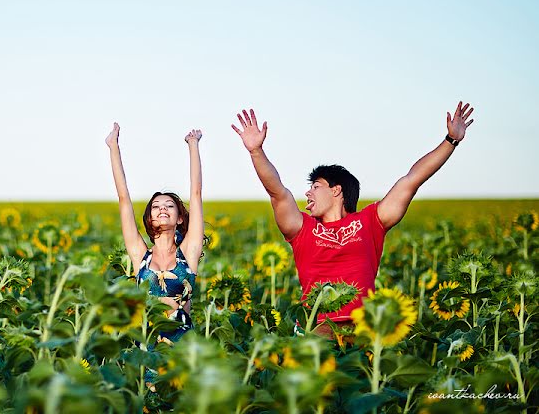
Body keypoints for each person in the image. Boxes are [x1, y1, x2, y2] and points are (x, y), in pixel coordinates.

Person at [231, 102, 475, 333]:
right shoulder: (302, 229)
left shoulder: (369, 222)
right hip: (316, 330)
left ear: (336, 190)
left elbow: (411, 180)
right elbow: (277, 192)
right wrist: (256, 151)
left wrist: (450, 141)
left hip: (361, 330)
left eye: (315, 186)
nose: (307, 192)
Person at [106, 122, 205, 343]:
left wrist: (193, 145)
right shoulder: (140, 256)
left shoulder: (188, 253)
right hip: (145, 346)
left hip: (182, 348)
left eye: (169, 206)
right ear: (150, 218)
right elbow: (123, 199)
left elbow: (196, 195)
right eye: (156, 206)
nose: (162, 208)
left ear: (179, 217)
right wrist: (113, 146)